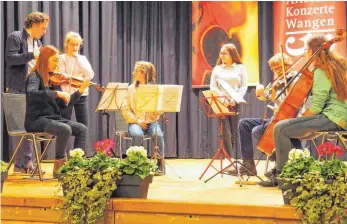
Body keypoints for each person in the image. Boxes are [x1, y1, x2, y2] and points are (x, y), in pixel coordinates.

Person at [260, 34, 347, 186]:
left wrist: (299, 119)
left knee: (281, 128)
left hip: (333, 117)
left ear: (313, 50)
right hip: (339, 116)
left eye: (306, 49)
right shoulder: (336, 65)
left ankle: (282, 178)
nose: (304, 52)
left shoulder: (321, 70)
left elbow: (316, 107)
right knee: (287, 129)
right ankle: (293, 171)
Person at [227, 53, 303, 176]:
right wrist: (260, 94)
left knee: (258, 130)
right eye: (274, 68)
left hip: (288, 118)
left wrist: (273, 96)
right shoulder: (279, 80)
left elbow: (289, 103)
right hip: (276, 117)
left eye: (279, 67)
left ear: (288, 65)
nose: (277, 71)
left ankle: (280, 163)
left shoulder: (295, 79)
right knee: (244, 124)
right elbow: (266, 97)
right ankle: (248, 165)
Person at [25, 45, 89, 177]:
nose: (57, 63)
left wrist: (80, 91)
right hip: (36, 120)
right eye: (54, 60)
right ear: (45, 60)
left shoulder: (53, 80)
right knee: (64, 129)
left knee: (82, 128)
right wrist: (56, 94)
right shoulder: (34, 77)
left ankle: (76, 165)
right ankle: (59, 169)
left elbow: (65, 104)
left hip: (53, 119)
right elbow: (31, 94)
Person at [5, 12, 49, 174]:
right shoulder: (16, 37)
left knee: (30, 127)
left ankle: (24, 164)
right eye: (43, 28)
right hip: (18, 87)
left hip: (32, 89)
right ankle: (24, 163)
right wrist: (32, 54)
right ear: (35, 25)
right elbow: (10, 59)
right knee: (20, 129)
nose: (45, 31)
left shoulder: (38, 41)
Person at [121, 61, 166, 175]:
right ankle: (132, 163)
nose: (133, 73)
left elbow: (159, 109)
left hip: (151, 122)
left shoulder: (154, 89)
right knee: (137, 134)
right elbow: (125, 109)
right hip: (136, 121)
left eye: (136, 71)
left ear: (144, 73)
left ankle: (160, 164)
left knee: (158, 135)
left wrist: (155, 113)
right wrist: (137, 120)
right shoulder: (131, 89)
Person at [210, 43, 248, 157]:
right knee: (225, 132)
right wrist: (223, 100)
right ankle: (229, 159)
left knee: (234, 131)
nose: (221, 55)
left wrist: (236, 99)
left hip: (235, 102)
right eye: (220, 53)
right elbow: (213, 86)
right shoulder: (217, 69)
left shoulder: (240, 68)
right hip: (220, 103)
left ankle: (235, 157)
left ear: (232, 54)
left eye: (224, 53)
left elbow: (244, 86)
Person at [58, 31, 96, 127]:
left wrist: (78, 60)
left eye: (77, 45)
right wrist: (78, 78)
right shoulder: (61, 58)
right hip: (67, 95)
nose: (75, 48)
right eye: (72, 44)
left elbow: (90, 75)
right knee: (64, 125)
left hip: (81, 94)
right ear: (67, 44)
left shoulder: (82, 59)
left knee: (84, 125)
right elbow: (61, 76)